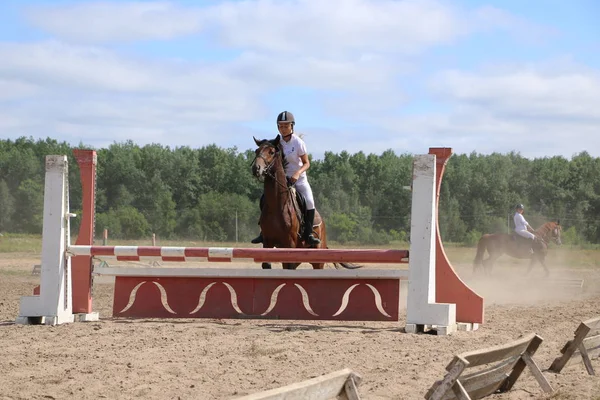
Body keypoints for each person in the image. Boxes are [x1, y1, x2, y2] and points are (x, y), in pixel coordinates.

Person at [251, 111, 321, 245]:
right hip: (283, 179)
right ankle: (263, 232)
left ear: (292, 126)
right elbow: (268, 148)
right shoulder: (278, 142)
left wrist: (297, 174)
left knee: (310, 202)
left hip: (299, 178)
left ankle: (308, 234)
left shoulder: (298, 143)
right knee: (265, 198)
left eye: (286, 126)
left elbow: (307, 163)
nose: (283, 129)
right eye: (280, 126)